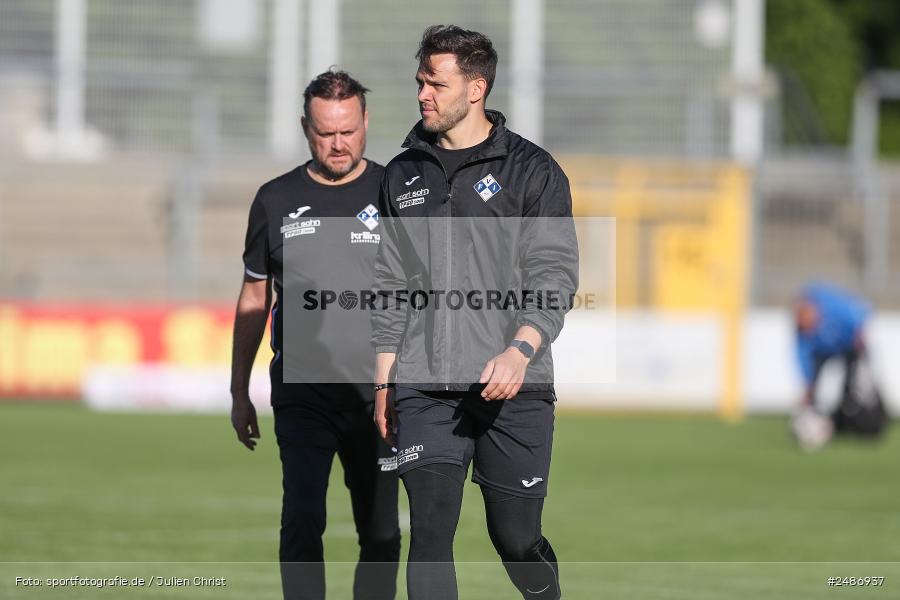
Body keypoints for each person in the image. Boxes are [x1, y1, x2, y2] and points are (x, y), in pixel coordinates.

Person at [371, 25, 578, 600]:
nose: (422, 95)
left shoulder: (533, 172)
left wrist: (521, 349)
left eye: (436, 83)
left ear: (476, 88)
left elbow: (554, 274)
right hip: (424, 385)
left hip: (516, 385)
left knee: (515, 539)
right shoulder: (401, 173)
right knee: (431, 535)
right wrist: (384, 379)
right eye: (420, 82)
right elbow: (390, 283)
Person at [230, 69, 400, 600]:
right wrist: (239, 390)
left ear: (366, 121)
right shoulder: (275, 200)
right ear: (306, 127)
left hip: (381, 396)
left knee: (382, 532)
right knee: (302, 521)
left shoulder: (396, 193)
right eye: (326, 132)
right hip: (303, 394)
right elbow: (254, 298)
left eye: (348, 130)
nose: (338, 143)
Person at [794, 282, 887, 437]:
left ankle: (854, 422)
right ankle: (814, 420)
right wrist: (808, 384)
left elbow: (863, 312)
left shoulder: (833, 307)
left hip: (850, 348)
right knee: (814, 387)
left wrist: (859, 336)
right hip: (824, 353)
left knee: (853, 389)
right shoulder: (803, 331)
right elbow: (804, 356)